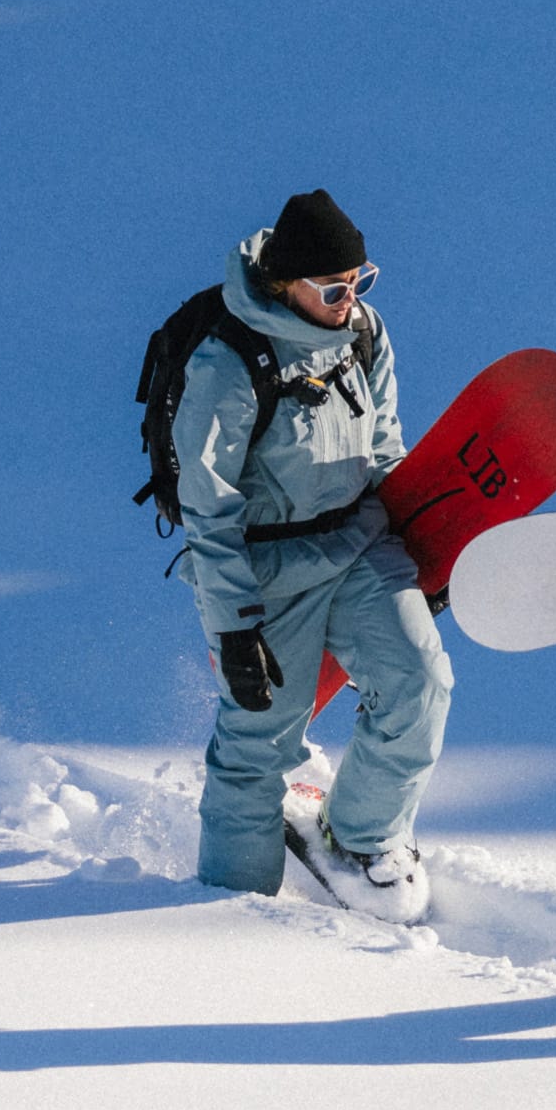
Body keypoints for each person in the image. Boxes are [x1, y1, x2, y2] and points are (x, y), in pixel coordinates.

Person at [176, 188, 451, 919]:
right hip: (265, 570)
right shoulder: (227, 364)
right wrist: (233, 625)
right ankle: (230, 919)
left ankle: (358, 839)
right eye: (333, 288)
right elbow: (207, 506)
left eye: (361, 281)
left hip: (360, 544)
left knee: (421, 681)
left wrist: (426, 557)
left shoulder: (363, 332)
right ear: (283, 285)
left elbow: (384, 444)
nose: (349, 299)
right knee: (256, 745)